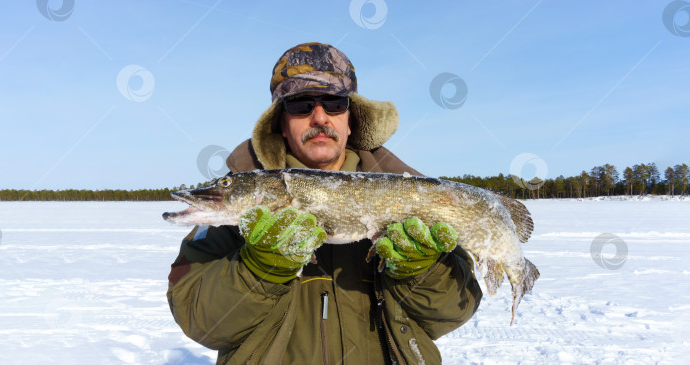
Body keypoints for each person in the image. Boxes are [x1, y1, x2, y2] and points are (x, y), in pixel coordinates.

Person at [166, 42, 482, 364]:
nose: (319, 117)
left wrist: (423, 271)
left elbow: (454, 311)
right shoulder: (234, 217)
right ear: (281, 126)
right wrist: (257, 270)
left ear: (350, 120)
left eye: (334, 103)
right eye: (300, 105)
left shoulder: (411, 191)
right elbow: (199, 321)